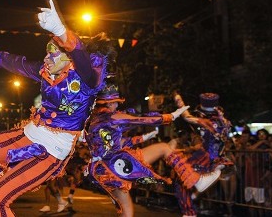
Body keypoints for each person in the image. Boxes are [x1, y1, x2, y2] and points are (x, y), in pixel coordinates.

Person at [0, 0, 113, 216]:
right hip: (28, 135)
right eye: (47, 52)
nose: (47, 57)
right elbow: (20, 63)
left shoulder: (86, 80)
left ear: (69, 59)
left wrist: (61, 31)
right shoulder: (45, 71)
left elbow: (81, 56)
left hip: (50, 153)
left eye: (53, 52)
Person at [85, 85, 222, 217]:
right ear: (108, 104)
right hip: (113, 166)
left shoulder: (95, 122)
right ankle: (196, 180)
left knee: (126, 213)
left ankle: (197, 182)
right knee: (163, 148)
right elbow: (142, 120)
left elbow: (118, 143)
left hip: (102, 171)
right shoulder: (113, 117)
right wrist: (171, 116)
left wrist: (144, 137)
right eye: (115, 102)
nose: (116, 105)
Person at [172, 92, 233, 217]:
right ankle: (197, 193)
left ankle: (189, 211)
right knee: (189, 183)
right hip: (218, 159)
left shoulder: (205, 121)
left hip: (204, 159)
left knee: (181, 181)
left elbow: (186, 116)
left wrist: (178, 99)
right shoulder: (225, 122)